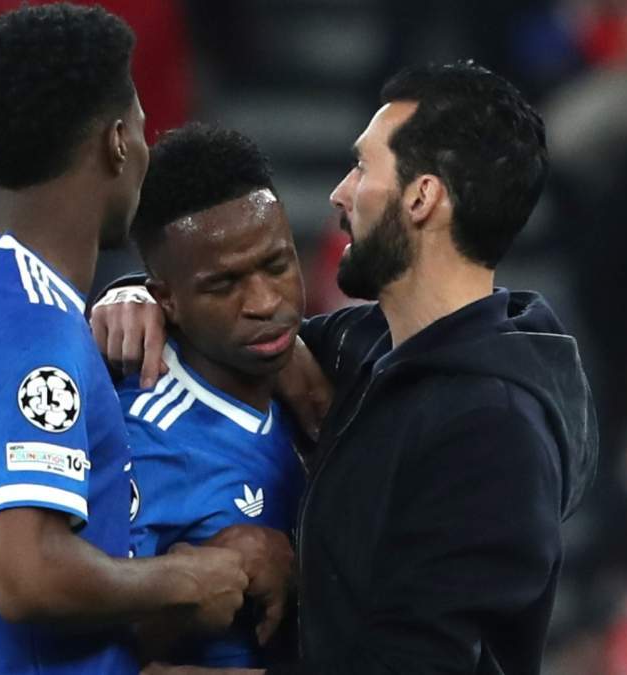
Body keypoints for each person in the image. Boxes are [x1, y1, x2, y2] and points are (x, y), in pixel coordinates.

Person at [93, 61, 598, 673]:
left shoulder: (492, 432)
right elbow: (229, 322)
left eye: (363, 166)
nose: (339, 192)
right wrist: (132, 296)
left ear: (421, 197)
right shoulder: (367, 349)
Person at [0, 5, 249, 675]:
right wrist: (184, 579)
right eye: (142, 126)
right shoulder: (31, 327)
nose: (148, 146)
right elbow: (26, 573)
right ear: (116, 141)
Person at [107, 124, 305, 668]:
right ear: (166, 300)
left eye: (277, 265)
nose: (264, 302)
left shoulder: (328, 379)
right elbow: (95, 655)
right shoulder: (144, 441)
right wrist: (209, 578)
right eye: (224, 285)